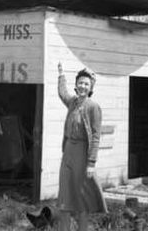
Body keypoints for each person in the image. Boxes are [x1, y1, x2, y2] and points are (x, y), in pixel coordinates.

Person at [57, 62, 107, 230]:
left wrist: (91, 163)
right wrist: (61, 75)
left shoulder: (93, 107)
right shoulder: (72, 102)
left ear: (90, 87)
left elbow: (95, 137)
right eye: (80, 83)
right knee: (65, 195)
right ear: (76, 85)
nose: (83, 86)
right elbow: (63, 93)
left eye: (86, 84)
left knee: (81, 197)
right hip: (68, 152)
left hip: (82, 154)